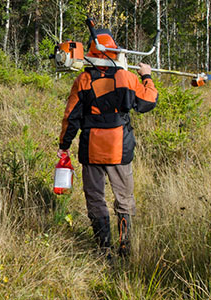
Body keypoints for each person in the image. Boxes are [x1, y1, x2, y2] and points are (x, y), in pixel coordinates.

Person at [57, 29, 158, 258]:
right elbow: (148, 102)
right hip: (119, 147)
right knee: (124, 198)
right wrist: (147, 76)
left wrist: (64, 145)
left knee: (95, 198)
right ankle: (125, 247)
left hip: (91, 148)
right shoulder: (127, 77)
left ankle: (104, 249)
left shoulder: (83, 79)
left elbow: (71, 116)